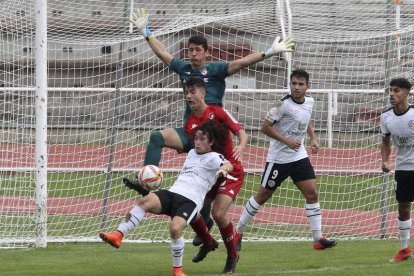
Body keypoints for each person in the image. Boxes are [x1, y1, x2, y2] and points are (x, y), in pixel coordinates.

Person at [128, 7, 294, 253]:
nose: (193, 54)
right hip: (190, 131)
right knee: (156, 137)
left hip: (213, 138)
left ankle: (204, 226)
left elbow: (242, 61)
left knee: (207, 183)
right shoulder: (184, 69)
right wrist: (147, 32)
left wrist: (269, 52)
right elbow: (163, 53)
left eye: (197, 50)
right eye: (190, 50)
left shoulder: (215, 70)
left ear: (206, 53)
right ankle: (147, 182)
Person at [99, 120, 234, 276]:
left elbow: (227, 164)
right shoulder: (191, 153)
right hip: (173, 192)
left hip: (190, 201)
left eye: (202, 139)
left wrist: (223, 170)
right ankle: (118, 235)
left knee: (175, 228)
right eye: (196, 138)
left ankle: (178, 270)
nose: (197, 142)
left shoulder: (214, 157)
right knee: (144, 202)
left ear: (211, 142)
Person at [234, 69, 337, 251]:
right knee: (263, 195)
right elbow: (265, 127)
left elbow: (306, 120)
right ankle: (238, 231)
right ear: (289, 85)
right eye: (294, 84)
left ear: (307, 86)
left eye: (301, 84)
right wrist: (287, 141)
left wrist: (312, 138)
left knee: (312, 192)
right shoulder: (281, 105)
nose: (297, 87)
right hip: (278, 159)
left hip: (299, 157)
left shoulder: (310, 102)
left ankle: (318, 238)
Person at [183, 77, 247, 274]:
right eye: (187, 92)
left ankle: (231, 255)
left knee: (218, 213)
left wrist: (241, 145)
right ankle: (208, 240)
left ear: (203, 93)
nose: (189, 96)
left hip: (230, 170)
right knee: (191, 207)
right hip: (211, 173)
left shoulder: (217, 112)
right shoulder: (190, 125)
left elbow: (240, 131)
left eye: (193, 91)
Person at [380, 78, 414, 263]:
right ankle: (404, 249)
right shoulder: (386, 116)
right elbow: (385, 140)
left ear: (407, 92)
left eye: (397, 90)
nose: (392, 94)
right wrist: (385, 160)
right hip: (403, 167)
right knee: (403, 206)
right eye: (390, 90)